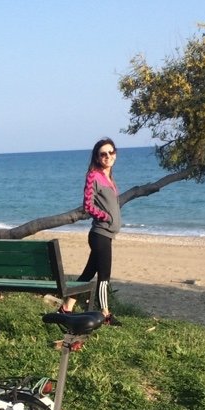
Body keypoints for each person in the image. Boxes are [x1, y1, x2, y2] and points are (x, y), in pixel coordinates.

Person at [61, 137, 123, 325]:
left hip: (106, 234)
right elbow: (88, 205)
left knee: (88, 274)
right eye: (103, 154)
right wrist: (106, 217)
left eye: (111, 152)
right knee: (104, 276)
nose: (108, 156)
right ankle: (105, 314)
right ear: (97, 157)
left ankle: (66, 308)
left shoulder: (109, 178)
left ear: (115, 154)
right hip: (100, 234)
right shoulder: (93, 176)